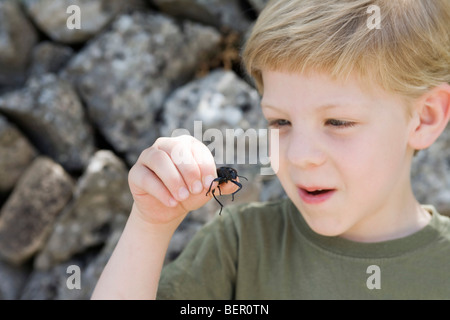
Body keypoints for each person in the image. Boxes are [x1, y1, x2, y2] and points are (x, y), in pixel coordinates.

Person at [92, 0, 450, 299]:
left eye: (337, 122)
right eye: (280, 122)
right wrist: (152, 222)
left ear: (424, 118)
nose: (297, 155)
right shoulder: (240, 246)